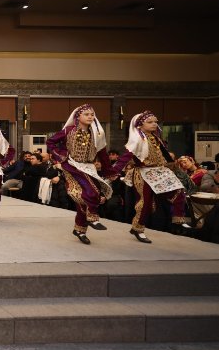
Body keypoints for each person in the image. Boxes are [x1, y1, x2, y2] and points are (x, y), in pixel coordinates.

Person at [114, 111, 190, 242]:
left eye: (155, 122)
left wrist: (173, 166)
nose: (154, 124)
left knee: (178, 190)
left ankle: (178, 219)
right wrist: (113, 171)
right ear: (140, 125)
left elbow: (165, 155)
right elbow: (125, 158)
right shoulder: (137, 140)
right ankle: (138, 229)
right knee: (145, 203)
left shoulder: (156, 138)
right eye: (150, 122)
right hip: (143, 173)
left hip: (159, 172)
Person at [46, 104, 115, 245]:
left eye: (92, 114)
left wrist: (109, 171)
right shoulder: (68, 130)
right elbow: (50, 142)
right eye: (86, 114)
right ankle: (93, 217)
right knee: (92, 191)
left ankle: (80, 230)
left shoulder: (97, 133)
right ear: (78, 117)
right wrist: (62, 155)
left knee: (82, 200)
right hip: (72, 166)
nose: (90, 117)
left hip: (89, 167)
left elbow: (102, 154)